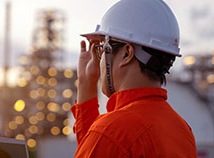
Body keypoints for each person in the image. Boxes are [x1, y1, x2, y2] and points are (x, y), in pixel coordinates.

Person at [71, 0, 197, 157]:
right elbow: (96, 146)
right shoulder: (182, 130)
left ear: (126, 53)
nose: (99, 59)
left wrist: (85, 84)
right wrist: (87, 82)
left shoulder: (111, 133)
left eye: (101, 49)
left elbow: (104, 142)